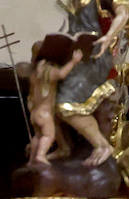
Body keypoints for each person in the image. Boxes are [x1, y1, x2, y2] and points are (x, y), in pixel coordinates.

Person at [54, 0, 129, 167]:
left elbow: (123, 13)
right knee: (48, 89)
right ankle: (64, 147)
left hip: (99, 62)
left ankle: (102, 145)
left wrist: (110, 36)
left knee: (66, 105)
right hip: (81, 61)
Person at [27, 38, 85, 167]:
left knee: (37, 136)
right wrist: (74, 62)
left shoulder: (34, 72)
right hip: (45, 113)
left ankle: (32, 160)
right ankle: (40, 156)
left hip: (35, 113)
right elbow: (61, 74)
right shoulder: (48, 71)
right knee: (48, 136)